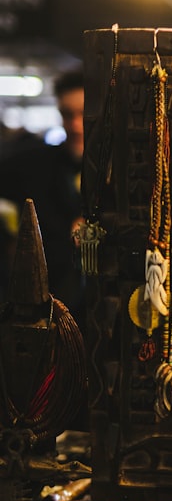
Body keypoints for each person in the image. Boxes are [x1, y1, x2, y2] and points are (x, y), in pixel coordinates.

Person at [0, 70, 85, 319]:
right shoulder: (34, 165)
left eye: (83, 113)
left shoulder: (120, 168)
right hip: (47, 311)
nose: (76, 125)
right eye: (68, 115)